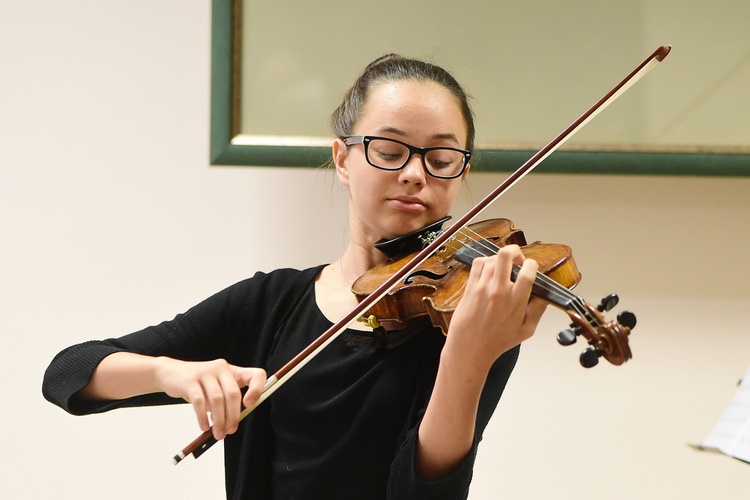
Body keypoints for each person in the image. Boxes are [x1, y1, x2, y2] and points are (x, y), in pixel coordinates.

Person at [42, 54, 547, 499]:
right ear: (342, 160)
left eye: (440, 159)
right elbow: (68, 373)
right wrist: (174, 373)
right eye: (390, 152)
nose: (415, 173)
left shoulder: (472, 314)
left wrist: (467, 355)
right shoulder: (270, 305)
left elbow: (425, 494)